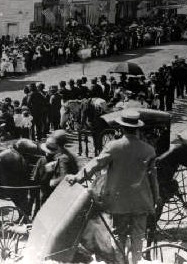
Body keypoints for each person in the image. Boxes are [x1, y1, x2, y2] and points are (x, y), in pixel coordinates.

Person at [66, 110, 159, 264]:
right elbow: (153, 179)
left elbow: (96, 164)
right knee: (138, 237)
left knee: (118, 236)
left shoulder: (113, 147)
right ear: (137, 129)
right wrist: (155, 200)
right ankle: (136, 262)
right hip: (142, 202)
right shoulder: (149, 150)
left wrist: (77, 177)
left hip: (118, 202)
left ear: (121, 128)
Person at [34, 130, 79, 204]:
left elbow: (64, 177)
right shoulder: (67, 154)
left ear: (57, 145)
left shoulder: (63, 158)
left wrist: (53, 182)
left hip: (63, 195)